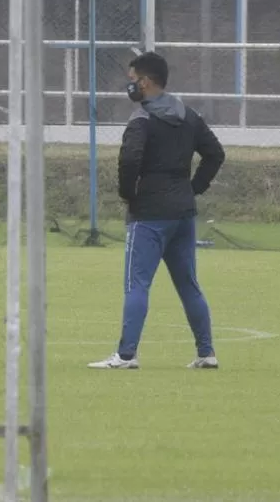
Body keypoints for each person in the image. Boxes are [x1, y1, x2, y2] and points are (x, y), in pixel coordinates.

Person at [88, 51, 226, 370]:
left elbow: (129, 160)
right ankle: (207, 353)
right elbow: (215, 154)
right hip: (182, 212)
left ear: (146, 82)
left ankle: (125, 355)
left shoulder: (142, 119)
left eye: (132, 80)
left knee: (137, 284)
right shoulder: (188, 115)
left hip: (149, 213)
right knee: (188, 284)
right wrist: (193, 188)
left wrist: (128, 193)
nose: (130, 85)